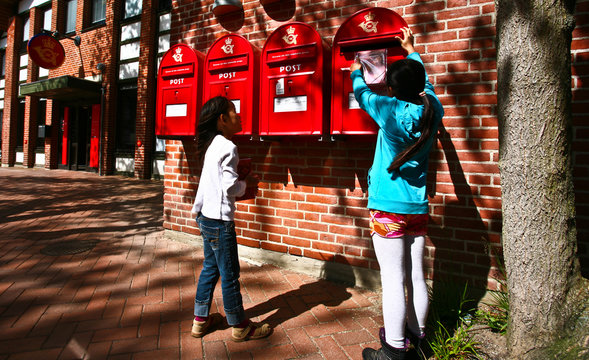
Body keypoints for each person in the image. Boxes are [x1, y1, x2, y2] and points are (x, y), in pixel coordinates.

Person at [350, 27, 444, 360]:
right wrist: (413, 51)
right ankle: (418, 340)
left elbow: (361, 91)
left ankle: (392, 351)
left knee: (392, 280)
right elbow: (426, 85)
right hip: (417, 207)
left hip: (388, 209)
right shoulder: (433, 109)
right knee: (416, 275)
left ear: (391, 88)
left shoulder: (387, 111)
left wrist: (354, 65)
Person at [190, 96, 272, 341]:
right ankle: (239, 325)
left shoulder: (212, 143)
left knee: (210, 268)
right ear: (222, 120)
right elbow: (229, 187)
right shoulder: (228, 146)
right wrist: (248, 183)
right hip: (220, 221)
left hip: (205, 216)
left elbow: (210, 183)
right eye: (234, 112)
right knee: (230, 274)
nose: (240, 115)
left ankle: (200, 320)